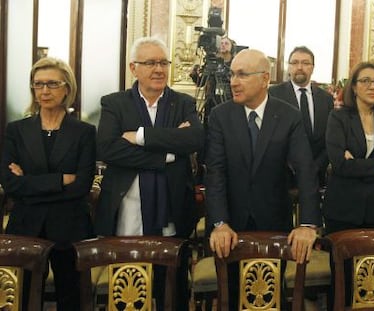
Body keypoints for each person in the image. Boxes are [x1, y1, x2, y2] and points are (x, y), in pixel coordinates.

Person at [205, 48, 322, 309]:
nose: (233, 81)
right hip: (231, 228)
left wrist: (307, 224)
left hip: (274, 223)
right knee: (232, 296)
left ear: (265, 78)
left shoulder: (289, 115)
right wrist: (219, 222)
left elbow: (305, 171)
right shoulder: (220, 116)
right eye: (232, 74)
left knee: (269, 297)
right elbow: (215, 173)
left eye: (242, 75)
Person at [94, 37, 204, 310]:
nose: (158, 69)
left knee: (172, 285)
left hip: (173, 207)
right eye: (150, 63)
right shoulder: (114, 103)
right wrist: (166, 153)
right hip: (127, 209)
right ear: (133, 68)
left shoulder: (183, 103)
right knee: (128, 283)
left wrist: (140, 136)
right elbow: (109, 149)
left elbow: (194, 140)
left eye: (163, 62)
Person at [0, 57, 96, 310]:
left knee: (70, 299)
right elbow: (10, 184)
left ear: (67, 88)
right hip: (26, 227)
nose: (44, 91)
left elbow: (82, 185)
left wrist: (30, 183)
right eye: (38, 84)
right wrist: (59, 181)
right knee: (22, 298)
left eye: (52, 84)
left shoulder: (84, 132)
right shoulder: (16, 130)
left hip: (70, 228)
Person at [323, 61, 374, 306]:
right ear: (354, 87)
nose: (372, 86)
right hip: (342, 209)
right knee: (341, 281)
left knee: (372, 280)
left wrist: (357, 164)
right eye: (365, 81)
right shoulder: (338, 117)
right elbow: (340, 165)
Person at [269, 46, 334, 187]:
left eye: (305, 63)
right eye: (294, 63)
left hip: (316, 176)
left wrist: (315, 167)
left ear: (312, 67)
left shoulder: (326, 99)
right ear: (289, 67)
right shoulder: (273, 95)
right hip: (282, 176)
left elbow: (330, 138)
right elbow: (269, 135)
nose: (300, 67)